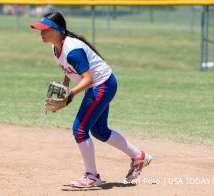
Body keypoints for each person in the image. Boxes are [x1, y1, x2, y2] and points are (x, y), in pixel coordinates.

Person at [30, 11, 152, 188]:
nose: (41, 33)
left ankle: (91, 176)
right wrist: (65, 86)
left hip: (102, 84)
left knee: (79, 130)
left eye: (45, 29)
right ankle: (139, 156)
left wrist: (70, 95)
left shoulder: (73, 50)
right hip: (101, 84)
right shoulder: (55, 47)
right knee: (100, 131)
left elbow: (89, 79)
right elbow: (68, 69)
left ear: (57, 30)